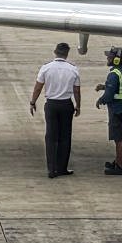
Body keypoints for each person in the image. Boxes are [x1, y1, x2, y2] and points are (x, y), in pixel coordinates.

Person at [29, 42, 80, 178]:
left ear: (55, 52)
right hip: (66, 105)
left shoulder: (46, 68)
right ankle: (62, 167)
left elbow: (38, 87)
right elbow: (76, 90)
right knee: (65, 137)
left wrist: (32, 102)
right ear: (67, 54)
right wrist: (78, 105)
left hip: (51, 105)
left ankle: (51, 169)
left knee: (51, 137)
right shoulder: (73, 69)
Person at [95, 46, 122, 175]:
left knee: (119, 138)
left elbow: (110, 94)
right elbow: (120, 87)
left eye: (109, 56)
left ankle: (121, 166)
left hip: (118, 109)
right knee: (119, 136)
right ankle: (117, 161)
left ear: (116, 60)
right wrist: (104, 86)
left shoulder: (113, 74)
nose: (107, 58)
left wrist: (101, 100)